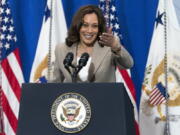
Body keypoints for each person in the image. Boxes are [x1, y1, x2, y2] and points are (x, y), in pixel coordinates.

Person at [51, 5, 134, 83]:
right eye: (85, 25)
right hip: (74, 98)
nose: (89, 30)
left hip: (104, 98)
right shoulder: (61, 49)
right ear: (78, 26)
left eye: (94, 26)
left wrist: (116, 47)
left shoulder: (108, 48)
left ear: (99, 28)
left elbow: (128, 64)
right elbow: (54, 84)